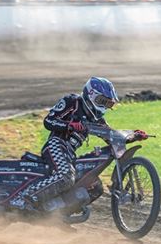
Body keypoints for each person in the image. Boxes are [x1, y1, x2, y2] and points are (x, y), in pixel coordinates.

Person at [9, 77, 127, 211]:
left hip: (70, 154)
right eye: (102, 101)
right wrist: (70, 126)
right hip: (56, 144)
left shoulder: (98, 120)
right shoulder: (72, 101)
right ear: (91, 95)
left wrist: (132, 136)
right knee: (66, 176)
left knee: (95, 186)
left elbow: (111, 136)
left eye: (108, 104)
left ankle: (59, 214)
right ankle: (24, 198)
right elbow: (49, 121)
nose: (104, 106)